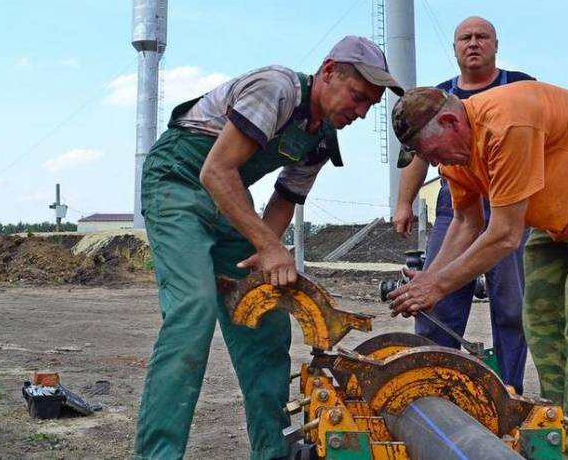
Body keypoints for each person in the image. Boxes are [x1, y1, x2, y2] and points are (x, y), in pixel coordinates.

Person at [135, 36, 402, 460]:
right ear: (330, 71)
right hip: (179, 183)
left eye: (370, 104)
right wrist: (270, 247)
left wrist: (265, 259)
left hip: (227, 201)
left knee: (266, 317)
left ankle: (273, 452)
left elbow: (283, 202)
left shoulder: (319, 141)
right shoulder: (277, 89)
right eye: (358, 97)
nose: (362, 111)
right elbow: (216, 169)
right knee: (193, 310)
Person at [387, 82, 568, 460]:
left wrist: (437, 286)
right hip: (556, 210)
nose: (436, 163)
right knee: (539, 320)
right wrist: (428, 278)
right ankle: (560, 429)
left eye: (431, 152)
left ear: (449, 121)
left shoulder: (505, 126)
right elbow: (464, 222)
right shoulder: (458, 156)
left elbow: (505, 235)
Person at [392, 16, 533, 393]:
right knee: (435, 296)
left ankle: (507, 392)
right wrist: (404, 202)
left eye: (481, 37)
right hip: (456, 208)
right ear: (454, 48)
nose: (473, 43)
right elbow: (417, 156)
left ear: (496, 44)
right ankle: (434, 386)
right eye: (465, 38)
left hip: (512, 203)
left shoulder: (519, 87)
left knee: (510, 305)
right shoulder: (435, 97)